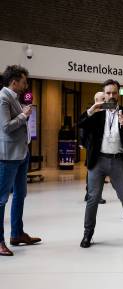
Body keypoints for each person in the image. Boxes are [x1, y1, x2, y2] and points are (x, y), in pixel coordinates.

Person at [78, 79, 123, 248]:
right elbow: (81, 124)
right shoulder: (97, 112)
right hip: (98, 161)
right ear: (104, 94)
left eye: (114, 92)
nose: (111, 96)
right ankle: (88, 233)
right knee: (93, 198)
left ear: (118, 94)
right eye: (108, 93)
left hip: (118, 161)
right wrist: (91, 110)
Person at [0, 65, 41, 257]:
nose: (26, 86)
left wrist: (23, 113)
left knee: (20, 195)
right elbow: (6, 127)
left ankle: (16, 234)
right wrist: (24, 115)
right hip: (7, 157)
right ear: (14, 82)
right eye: (24, 82)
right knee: (2, 199)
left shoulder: (14, 98)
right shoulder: (2, 98)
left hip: (21, 154)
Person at [82, 92, 107, 205]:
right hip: (92, 146)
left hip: (103, 147)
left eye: (104, 99)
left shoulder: (106, 112)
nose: (103, 101)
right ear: (96, 100)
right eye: (101, 99)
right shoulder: (90, 112)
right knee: (92, 169)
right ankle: (91, 194)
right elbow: (83, 128)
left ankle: (94, 194)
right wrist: (83, 142)